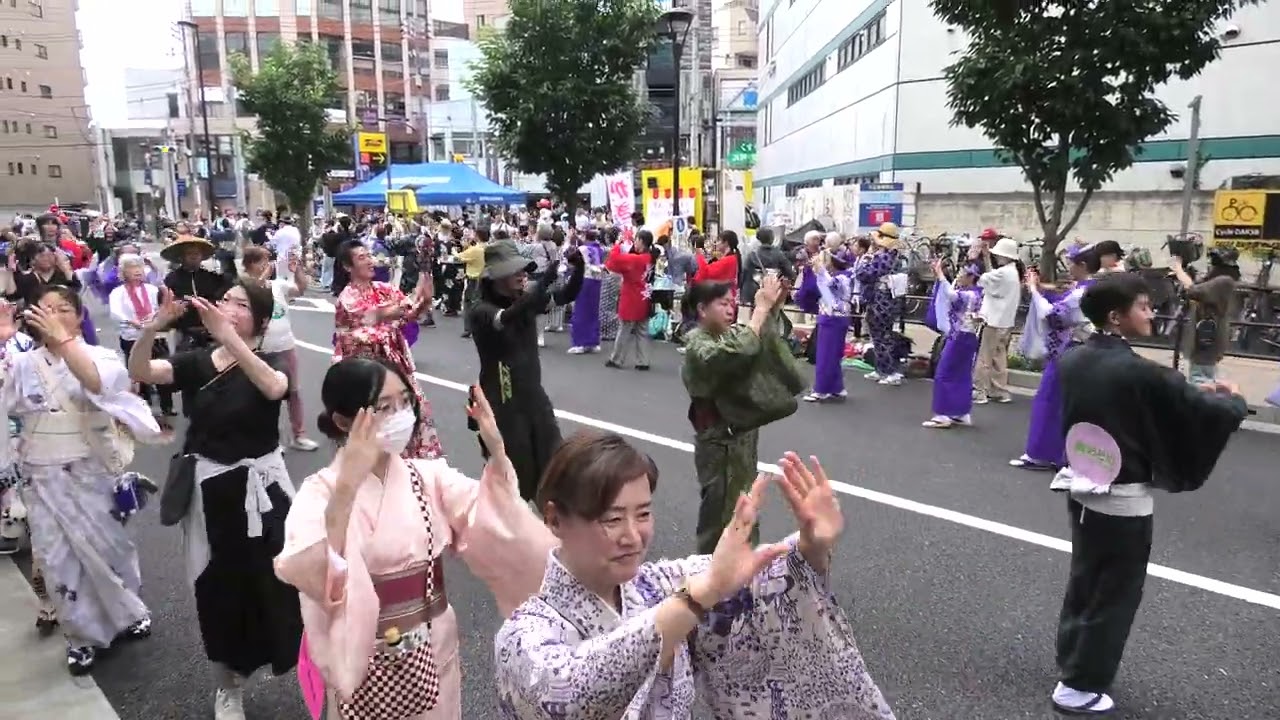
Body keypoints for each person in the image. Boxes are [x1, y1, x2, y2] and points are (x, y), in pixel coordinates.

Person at [494, 432, 896, 719]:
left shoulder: (654, 588)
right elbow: (567, 693)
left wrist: (812, 544)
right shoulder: (522, 636)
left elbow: (751, 577)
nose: (633, 536)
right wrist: (693, 600)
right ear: (554, 519)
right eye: (612, 519)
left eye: (644, 513)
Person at [275, 358, 555, 719]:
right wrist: (345, 491)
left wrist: (497, 452)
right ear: (345, 421)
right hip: (363, 651)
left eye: (405, 402)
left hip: (430, 641)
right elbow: (313, 577)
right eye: (384, 407)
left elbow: (494, 516)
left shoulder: (426, 476)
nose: (401, 415)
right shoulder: (319, 493)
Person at [1046, 273, 1247, 716]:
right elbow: (1198, 412)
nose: (1150, 312)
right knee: (1115, 592)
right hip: (1123, 499)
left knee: (1086, 581)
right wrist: (1231, 400)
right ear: (1116, 316)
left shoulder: (1075, 359)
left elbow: (1134, 405)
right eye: (1142, 306)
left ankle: (1073, 662)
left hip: (1083, 487)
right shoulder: (1141, 371)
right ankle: (1079, 686)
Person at [128, 280, 303, 720]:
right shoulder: (195, 362)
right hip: (212, 493)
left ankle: (304, 662)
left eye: (241, 305)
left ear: (260, 323)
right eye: (227, 299)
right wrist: (153, 326)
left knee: (283, 583)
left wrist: (230, 340)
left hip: (266, 493)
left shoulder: (267, 363)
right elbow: (144, 371)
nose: (229, 307)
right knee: (218, 589)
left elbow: (274, 388)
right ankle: (228, 687)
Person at [1, 288, 162, 674]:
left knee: (111, 550)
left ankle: (127, 614)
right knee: (59, 561)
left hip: (92, 471)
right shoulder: (19, 362)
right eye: (47, 309)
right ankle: (80, 636)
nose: (55, 316)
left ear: (79, 317)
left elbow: (97, 384)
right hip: (42, 476)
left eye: (65, 309)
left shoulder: (101, 357)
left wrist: (65, 344)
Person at [467, 239, 584, 500]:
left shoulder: (525, 301)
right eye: (515, 270)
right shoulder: (482, 312)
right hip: (502, 404)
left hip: (534, 399)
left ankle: (552, 531)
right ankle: (509, 533)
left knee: (555, 469)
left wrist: (579, 268)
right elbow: (507, 318)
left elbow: (566, 295)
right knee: (514, 480)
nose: (522, 275)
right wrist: (542, 284)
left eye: (524, 269)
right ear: (495, 276)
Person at [681, 275, 787, 553]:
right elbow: (738, 352)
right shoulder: (697, 342)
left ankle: (741, 570)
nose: (731, 309)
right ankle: (707, 580)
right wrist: (761, 310)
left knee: (745, 506)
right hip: (719, 441)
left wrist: (772, 305)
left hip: (741, 438)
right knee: (718, 516)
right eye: (723, 303)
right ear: (702, 309)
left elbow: (757, 340)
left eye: (733, 303)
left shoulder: (728, 334)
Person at [332, 240, 441, 459]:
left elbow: (407, 315)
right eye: (362, 257)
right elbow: (378, 315)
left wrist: (424, 302)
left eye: (369, 255)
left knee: (415, 409)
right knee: (375, 422)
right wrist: (412, 300)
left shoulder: (384, 289)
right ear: (347, 266)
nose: (371, 261)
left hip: (394, 364)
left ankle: (417, 462)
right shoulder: (347, 298)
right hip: (364, 372)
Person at [243, 246, 318, 452]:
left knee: (294, 391)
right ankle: (271, 439)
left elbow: (300, 288)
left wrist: (297, 269)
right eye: (261, 262)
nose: (267, 266)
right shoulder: (244, 288)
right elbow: (253, 294)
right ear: (249, 265)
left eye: (268, 261)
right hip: (260, 350)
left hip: (285, 345)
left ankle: (299, 435)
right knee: (266, 394)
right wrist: (263, 278)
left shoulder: (278, 286)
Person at [161, 227, 229, 416]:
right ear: (182, 257)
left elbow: (229, 289)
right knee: (187, 370)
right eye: (189, 254)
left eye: (197, 254)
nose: (194, 257)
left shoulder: (211, 277)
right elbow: (166, 305)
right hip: (186, 331)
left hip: (210, 331)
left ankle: (215, 408)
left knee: (216, 369)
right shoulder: (172, 279)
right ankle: (190, 410)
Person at [108, 254, 175, 419]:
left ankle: (167, 406)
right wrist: (132, 321)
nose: (137, 271)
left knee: (163, 367)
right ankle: (143, 407)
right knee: (138, 373)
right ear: (124, 272)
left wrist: (155, 319)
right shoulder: (118, 293)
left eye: (139, 267)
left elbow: (161, 307)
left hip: (155, 335)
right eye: (132, 268)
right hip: (132, 336)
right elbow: (115, 312)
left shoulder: (152, 290)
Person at [922, 261, 982, 428]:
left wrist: (940, 274)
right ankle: (961, 412)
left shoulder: (968, 295)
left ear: (971, 277)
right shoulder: (977, 293)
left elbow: (950, 294)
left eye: (963, 274)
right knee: (962, 375)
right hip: (968, 337)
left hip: (959, 336)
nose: (960, 276)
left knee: (944, 373)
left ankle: (943, 413)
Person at [1169, 246, 1239, 384]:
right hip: (1204, 334)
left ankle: (1201, 402)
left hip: (1208, 336)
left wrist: (1178, 269)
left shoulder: (1224, 281)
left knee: (1200, 378)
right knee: (1201, 373)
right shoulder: (1218, 280)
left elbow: (1193, 290)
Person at [856, 223, 908, 385]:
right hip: (891, 299)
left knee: (881, 336)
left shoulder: (882, 256)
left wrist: (865, 261)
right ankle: (882, 369)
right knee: (882, 335)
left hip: (880, 300)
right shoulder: (897, 256)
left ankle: (889, 371)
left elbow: (863, 274)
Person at [972, 236, 1022, 404]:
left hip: (993, 320)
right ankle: (999, 390)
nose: (997, 256)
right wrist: (986, 258)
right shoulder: (1012, 272)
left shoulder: (1003, 273)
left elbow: (983, 279)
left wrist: (976, 258)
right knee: (999, 357)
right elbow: (991, 275)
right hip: (1006, 321)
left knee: (985, 356)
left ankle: (980, 391)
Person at [804, 248, 854, 403]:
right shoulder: (842, 276)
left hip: (833, 318)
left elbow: (830, 286)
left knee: (826, 355)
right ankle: (835, 387)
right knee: (832, 355)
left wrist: (820, 271)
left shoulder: (842, 278)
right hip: (833, 317)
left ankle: (821, 389)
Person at [604, 229, 655, 370]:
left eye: (637, 240)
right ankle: (643, 361)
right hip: (645, 296)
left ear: (642, 242)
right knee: (642, 331)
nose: (635, 242)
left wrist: (618, 244)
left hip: (631, 297)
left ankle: (617, 358)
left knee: (624, 329)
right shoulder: (649, 257)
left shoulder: (635, 259)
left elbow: (613, 260)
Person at [567, 229, 605, 354]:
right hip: (597, 281)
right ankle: (593, 341)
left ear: (585, 236)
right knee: (593, 311)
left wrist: (570, 240)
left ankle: (580, 342)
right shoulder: (600, 249)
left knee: (581, 310)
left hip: (584, 280)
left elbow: (570, 259)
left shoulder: (582, 249)